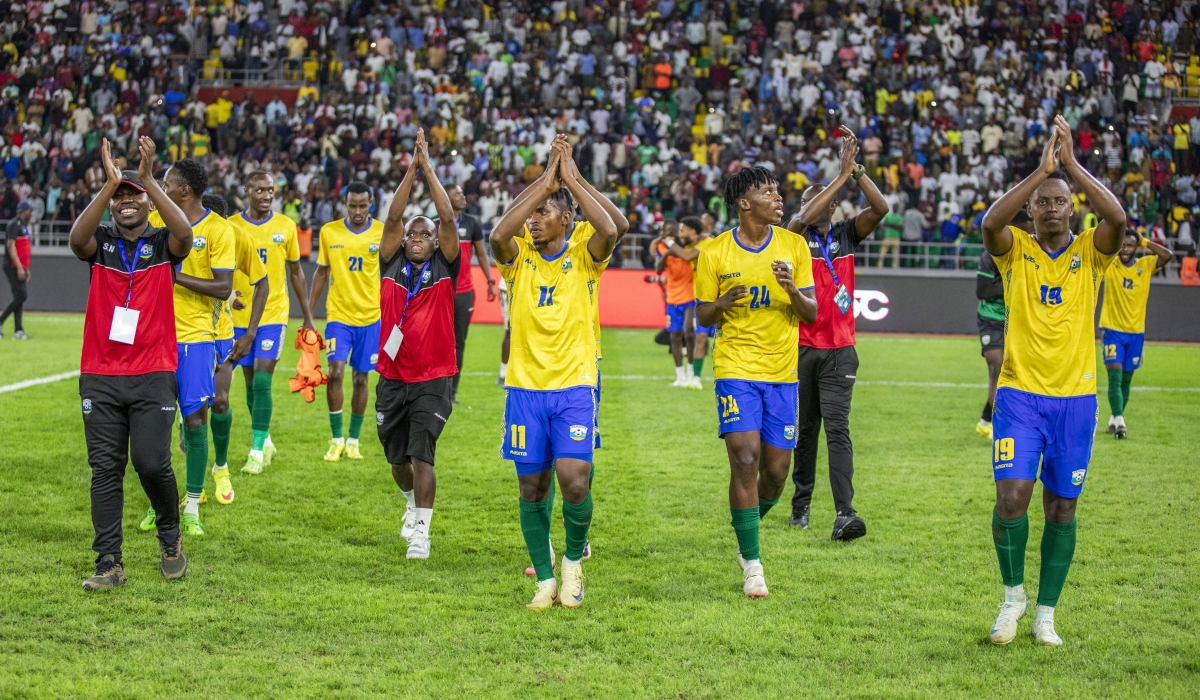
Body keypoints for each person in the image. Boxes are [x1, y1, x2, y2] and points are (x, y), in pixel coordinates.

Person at [980, 116, 1126, 646]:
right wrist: (1041, 172)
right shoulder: (1015, 249)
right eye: (1042, 202)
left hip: (1075, 401)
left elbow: (1118, 217)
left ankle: (1046, 612)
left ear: (1072, 208)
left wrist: (1071, 167)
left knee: (1062, 506)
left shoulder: (1092, 252)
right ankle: (1012, 598)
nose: (1050, 208)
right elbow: (989, 224)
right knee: (1011, 500)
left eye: (1060, 201)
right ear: (1031, 209)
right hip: (1019, 397)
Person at [491, 135, 618, 611]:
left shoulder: (585, 253)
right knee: (532, 487)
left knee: (574, 479)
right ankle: (544, 580)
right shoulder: (518, 256)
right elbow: (497, 237)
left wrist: (570, 178)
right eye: (531, 213)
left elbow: (611, 228)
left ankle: (571, 564)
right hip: (525, 388)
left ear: (567, 219)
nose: (533, 219)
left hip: (574, 385)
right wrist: (545, 182)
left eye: (543, 212)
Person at [70, 137, 193, 589]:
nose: (126, 202)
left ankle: (170, 534)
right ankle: (109, 563)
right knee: (105, 469)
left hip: (153, 372)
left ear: (149, 204)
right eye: (119, 198)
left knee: (150, 462)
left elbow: (186, 236)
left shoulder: (162, 243)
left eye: (133, 196)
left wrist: (146, 179)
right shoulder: (101, 242)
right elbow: (76, 240)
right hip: (100, 373)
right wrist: (110, 183)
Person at [694, 165, 817, 598]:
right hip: (735, 368)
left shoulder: (794, 246)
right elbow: (702, 314)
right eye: (767, 191)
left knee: (777, 474)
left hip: (782, 374)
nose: (778, 197)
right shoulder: (714, 252)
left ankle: (745, 530)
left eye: (777, 191)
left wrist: (792, 290)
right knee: (745, 458)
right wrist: (721, 304)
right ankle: (753, 563)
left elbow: (811, 313)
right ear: (744, 203)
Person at [785, 125, 887, 539]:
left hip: (841, 349)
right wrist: (839, 175)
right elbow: (801, 218)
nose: (811, 206)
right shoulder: (794, 237)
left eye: (821, 200)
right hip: (802, 346)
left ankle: (845, 511)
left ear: (834, 206)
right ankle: (801, 505)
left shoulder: (846, 234)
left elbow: (881, 208)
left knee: (838, 430)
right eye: (808, 200)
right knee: (805, 431)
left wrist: (856, 171)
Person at [137, 158, 234, 537]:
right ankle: (158, 504)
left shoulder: (218, 229)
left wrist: (175, 276)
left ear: (184, 190)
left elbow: (223, 287)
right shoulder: (155, 221)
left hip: (195, 339)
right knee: (154, 425)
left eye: (167, 182)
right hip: (154, 338)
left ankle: (192, 506)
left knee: (195, 421)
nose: (161, 188)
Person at [375, 130, 460, 560]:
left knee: (422, 453)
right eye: (412, 235)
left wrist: (428, 167)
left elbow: (447, 219)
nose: (417, 238)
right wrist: (411, 168)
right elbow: (393, 218)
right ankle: (410, 504)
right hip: (392, 376)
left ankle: (422, 533)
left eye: (424, 234)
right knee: (397, 460)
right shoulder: (390, 262)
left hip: (434, 377)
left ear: (435, 241)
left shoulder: (445, 266)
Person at [229, 171, 317, 475]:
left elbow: (296, 271)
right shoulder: (231, 226)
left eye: (270, 190)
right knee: (249, 383)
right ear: (246, 191)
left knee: (263, 380)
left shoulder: (285, 226)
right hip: (239, 316)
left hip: (273, 314)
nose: (267, 195)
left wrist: (307, 315)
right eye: (260, 190)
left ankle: (255, 452)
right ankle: (264, 439)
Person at [308, 181, 384, 461]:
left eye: (363, 206)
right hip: (339, 316)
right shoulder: (330, 232)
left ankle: (353, 440)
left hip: (371, 318)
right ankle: (336, 439)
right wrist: (308, 314)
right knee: (336, 373)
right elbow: (321, 272)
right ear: (345, 204)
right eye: (353, 205)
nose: (358, 211)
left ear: (371, 204)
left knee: (361, 379)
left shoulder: (382, 231)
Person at [201, 194, 268, 506]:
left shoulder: (237, 237)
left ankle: (221, 467)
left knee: (220, 402)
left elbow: (262, 282)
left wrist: (251, 332)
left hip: (221, 333)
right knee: (192, 410)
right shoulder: (181, 233)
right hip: (184, 334)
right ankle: (192, 482)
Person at [1098, 229, 1173, 438]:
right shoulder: (1110, 263)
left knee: (1126, 380)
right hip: (1112, 330)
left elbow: (1167, 255)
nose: (1125, 249)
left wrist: (1144, 241)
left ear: (1136, 247)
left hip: (1136, 332)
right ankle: (1120, 421)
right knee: (1114, 377)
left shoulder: (1145, 265)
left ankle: (1114, 419)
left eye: (1130, 245)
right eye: (1122, 245)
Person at [445, 182, 496, 403]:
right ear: (446, 198)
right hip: (440, 293)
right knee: (438, 342)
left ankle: (452, 392)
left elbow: (482, 254)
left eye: (462, 193)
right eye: (457, 194)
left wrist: (490, 280)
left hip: (464, 293)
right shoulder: (436, 224)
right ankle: (437, 387)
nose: (463, 196)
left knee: (459, 343)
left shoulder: (471, 223)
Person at [654, 219, 698, 387]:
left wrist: (673, 248)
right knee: (675, 336)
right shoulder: (661, 247)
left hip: (690, 296)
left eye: (671, 230)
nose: (667, 233)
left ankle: (691, 372)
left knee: (688, 331)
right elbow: (658, 270)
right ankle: (680, 376)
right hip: (672, 298)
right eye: (665, 230)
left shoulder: (688, 246)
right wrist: (667, 254)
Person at [976, 249, 1005, 439]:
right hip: (991, 318)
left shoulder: (1031, 251)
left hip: (1017, 319)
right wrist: (1013, 282)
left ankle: (985, 421)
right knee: (997, 365)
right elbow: (982, 290)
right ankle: (996, 423)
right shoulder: (991, 254)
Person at [1, 200, 33, 339]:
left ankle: (18, 330)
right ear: (22, 211)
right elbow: (11, 246)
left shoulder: (22, 225)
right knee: (21, 295)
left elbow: (23, 248)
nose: (31, 214)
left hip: (19, 265)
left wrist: (26, 268)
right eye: (29, 211)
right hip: (12, 265)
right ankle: (1, 320)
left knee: (18, 297)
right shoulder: (14, 224)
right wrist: (20, 267)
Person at [877, 202, 903, 268]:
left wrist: (889, 225)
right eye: (894, 207)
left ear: (897, 208)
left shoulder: (899, 216)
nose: (895, 208)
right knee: (882, 253)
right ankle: (880, 266)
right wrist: (894, 225)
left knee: (895, 255)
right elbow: (885, 224)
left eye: (896, 207)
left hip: (896, 237)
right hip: (887, 236)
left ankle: (895, 267)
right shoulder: (888, 215)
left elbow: (899, 227)